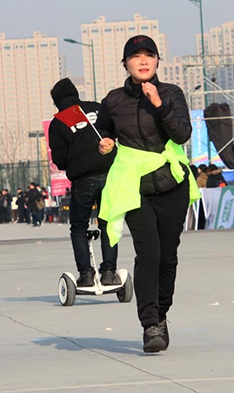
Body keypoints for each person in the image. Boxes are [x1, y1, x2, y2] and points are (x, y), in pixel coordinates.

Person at [95, 35, 199, 353]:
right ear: (125, 63)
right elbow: (104, 132)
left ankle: (162, 314)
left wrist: (158, 104)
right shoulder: (113, 100)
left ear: (156, 62)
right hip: (134, 188)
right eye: (135, 56)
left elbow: (182, 134)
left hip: (171, 184)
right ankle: (150, 324)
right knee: (148, 253)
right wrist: (105, 144)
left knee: (167, 256)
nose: (143, 61)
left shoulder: (171, 93)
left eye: (149, 55)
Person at [49, 77, 119, 286]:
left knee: (79, 226)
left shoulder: (58, 122)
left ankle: (86, 274)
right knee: (108, 224)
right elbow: (116, 132)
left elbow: (60, 160)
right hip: (110, 173)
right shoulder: (97, 108)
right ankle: (109, 272)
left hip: (84, 179)